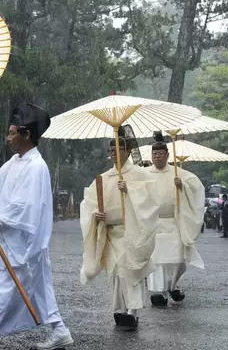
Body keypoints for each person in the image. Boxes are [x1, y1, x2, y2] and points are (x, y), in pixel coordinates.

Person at [0, 103, 73, 350]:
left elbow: (27, 206)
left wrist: (0, 221)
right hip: (14, 238)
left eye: (11, 133)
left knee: (7, 288)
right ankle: (59, 330)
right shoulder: (14, 163)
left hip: (24, 242)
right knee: (39, 288)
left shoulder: (36, 167)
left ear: (26, 134)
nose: (8, 138)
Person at [79, 126, 159, 329]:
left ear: (128, 151)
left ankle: (132, 311)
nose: (114, 153)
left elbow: (151, 201)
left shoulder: (140, 175)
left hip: (132, 232)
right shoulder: (104, 177)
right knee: (115, 273)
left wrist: (131, 190)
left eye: (118, 149)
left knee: (129, 271)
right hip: (112, 233)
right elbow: (90, 202)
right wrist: (95, 214)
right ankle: (120, 310)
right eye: (111, 150)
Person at [145, 132, 205, 307]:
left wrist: (183, 186)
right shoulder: (144, 173)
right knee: (156, 261)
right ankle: (159, 292)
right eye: (154, 154)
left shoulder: (179, 173)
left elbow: (197, 188)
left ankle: (173, 285)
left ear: (167, 155)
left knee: (178, 259)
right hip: (153, 223)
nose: (157, 156)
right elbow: (133, 188)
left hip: (173, 222)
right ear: (151, 156)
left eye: (160, 153)